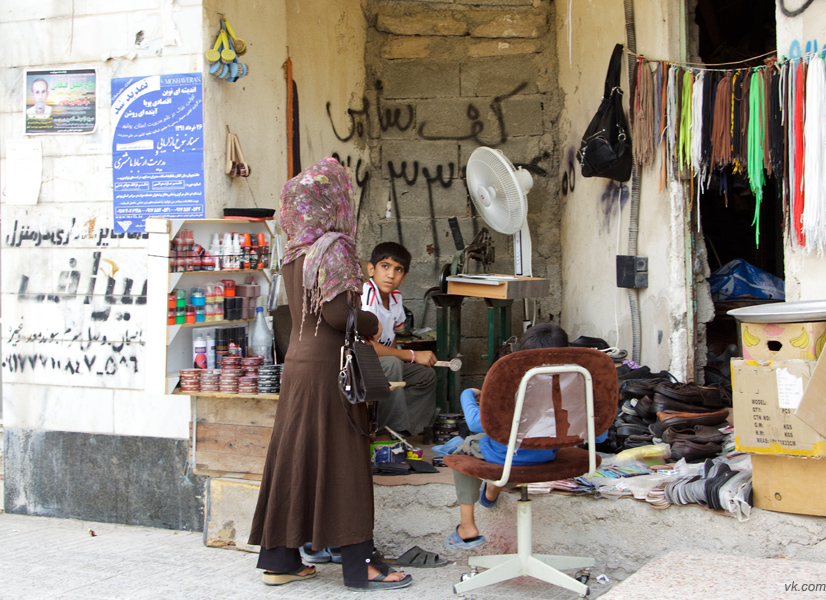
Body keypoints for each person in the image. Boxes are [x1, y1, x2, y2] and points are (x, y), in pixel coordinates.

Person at [248, 157, 411, 592]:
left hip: (298, 366)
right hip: (331, 369)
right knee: (345, 463)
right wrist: (374, 323)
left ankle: (281, 559)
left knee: (294, 459)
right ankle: (363, 564)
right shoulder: (334, 247)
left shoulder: (294, 250)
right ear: (334, 202)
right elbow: (340, 315)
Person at [445, 323, 608, 550]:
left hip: (508, 456)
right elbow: (598, 437)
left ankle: (467, 526)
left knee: (463, 450)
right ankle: (492, 490)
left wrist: (467, 394)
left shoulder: (510, 380)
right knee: (510, 450)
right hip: (547, 457)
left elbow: (474, 423)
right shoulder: (580, 380)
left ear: (521, 352)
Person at [361, 242, 437, 437]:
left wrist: (408, 358)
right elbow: (367, 346)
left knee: (425, 376)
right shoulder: (368, 294)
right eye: (384, 266)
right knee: (393, 364)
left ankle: (407, 427)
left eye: (398, 270)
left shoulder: (395, 298)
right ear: (371, 269)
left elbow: (392, 338)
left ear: (403, 278)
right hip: (360, 363)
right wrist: (411, 355)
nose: (391, 274)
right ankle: (387, 431)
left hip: (383, 361)